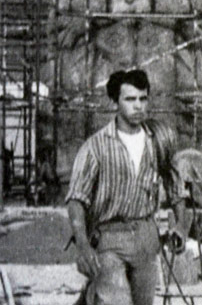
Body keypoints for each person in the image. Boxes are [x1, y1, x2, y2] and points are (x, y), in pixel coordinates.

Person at [66, 68, 184, 305]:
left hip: (146, 238)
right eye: (130, 99)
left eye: (143, 98)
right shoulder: (95, 147)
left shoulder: (158, 141)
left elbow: (175, 188)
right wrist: (83, 245)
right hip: (109, 239)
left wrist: (180, 225)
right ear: (115, 102)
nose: (138, 106)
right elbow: (76, 200)